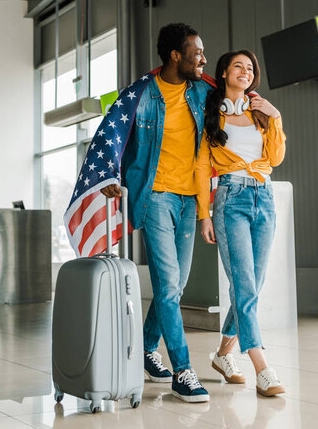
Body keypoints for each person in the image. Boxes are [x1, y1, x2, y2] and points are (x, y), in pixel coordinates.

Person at [102, 23, 212, 403]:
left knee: (175, 287)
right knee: (168, 286)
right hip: (156, 198)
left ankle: (147, 349)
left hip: (188, 201)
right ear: (175, 56)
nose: (203, 59)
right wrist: (109, 177)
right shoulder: (139, 95)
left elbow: (235, 103)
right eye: (197, 52)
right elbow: (112, 138)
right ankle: (183, 370)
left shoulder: (201, 92)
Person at [195, 50, 286, 397]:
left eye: (250, 68)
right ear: (223, 73)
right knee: (245, 286)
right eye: (238, 66)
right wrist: (205, 213)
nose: (245, 72)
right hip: (230, 200)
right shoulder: (210, 117)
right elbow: (203, 167)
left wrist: (274, 116)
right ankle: (261, 366)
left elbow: (275, 157)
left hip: (265, 198)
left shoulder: (260, 112)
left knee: (253, 285)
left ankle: (222, 356)